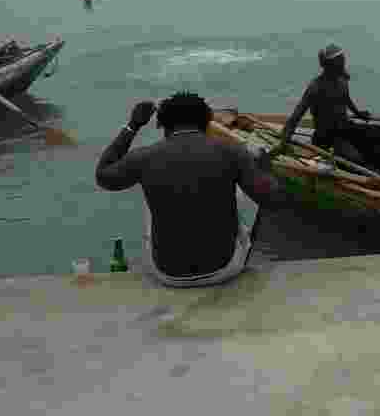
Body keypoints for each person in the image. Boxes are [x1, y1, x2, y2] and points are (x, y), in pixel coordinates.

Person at [95, 92, 284, 287]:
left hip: (168, 274)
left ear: (161, 125)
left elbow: (103, 177)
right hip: (224, 269)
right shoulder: (232, 152)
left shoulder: (143, 157)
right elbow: (272, 200)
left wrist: (133, 126)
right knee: (235, 196)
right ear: (208, 122)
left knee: (154, 193)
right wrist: (265, 169)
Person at [271, 44, 375, 165]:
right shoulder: (316, 88)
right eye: (341, 62)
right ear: (330, 66)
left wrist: (358, 113)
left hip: (345, 129)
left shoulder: (342, 80)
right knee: (357, 160)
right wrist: (283, 142)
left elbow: (346, 99)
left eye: (343, 60)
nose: (344, 64)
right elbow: (296, 117)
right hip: (326, 139)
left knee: (378, 137)